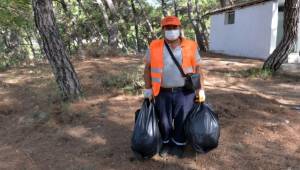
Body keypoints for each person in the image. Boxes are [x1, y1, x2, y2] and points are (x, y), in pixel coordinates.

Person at [143, 16, 206, 158]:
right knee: (164, 121)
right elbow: (147, 69)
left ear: (179, 28)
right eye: (168, 28)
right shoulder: (154, 46)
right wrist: (148, 89)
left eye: (174, 27)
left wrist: (200, 89)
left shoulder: (191, 45)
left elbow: (197, 69)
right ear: (163, 30)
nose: (171, 30)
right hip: (162, 92)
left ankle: (178, 144)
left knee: (181, 119)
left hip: (185, 92)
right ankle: (166, 143)